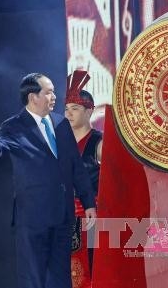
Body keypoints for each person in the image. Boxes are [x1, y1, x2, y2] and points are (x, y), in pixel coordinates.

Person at [0, 72, 97, 288]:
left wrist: (88, 202)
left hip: (63, 216)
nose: (55, 97)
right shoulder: (14, 126)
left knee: (60, 278)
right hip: (33, 219)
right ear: (33, 97)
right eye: (49, 92)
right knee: (33, 278)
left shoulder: (61, 123)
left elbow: (75, 165)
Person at [64, 70, 103, 288]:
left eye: (75, 109)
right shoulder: (60, 143)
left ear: (89, 111)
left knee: (89, 273)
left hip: (90, 219)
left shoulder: (99, 144)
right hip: (63, 217)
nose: (68, 114)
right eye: (66, 109)